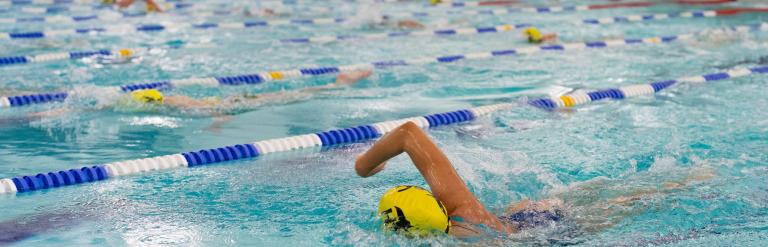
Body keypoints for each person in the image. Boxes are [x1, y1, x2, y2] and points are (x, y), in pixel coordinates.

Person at [355, 122, 715, 237]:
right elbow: (406, 133)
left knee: (627, 199)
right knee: (634, 195)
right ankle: (692, 178)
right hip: (542, 223)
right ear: (435, 205)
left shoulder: (454, 223)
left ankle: (688, 180)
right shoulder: (461, 209)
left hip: (536, 226)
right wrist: (364, 167)